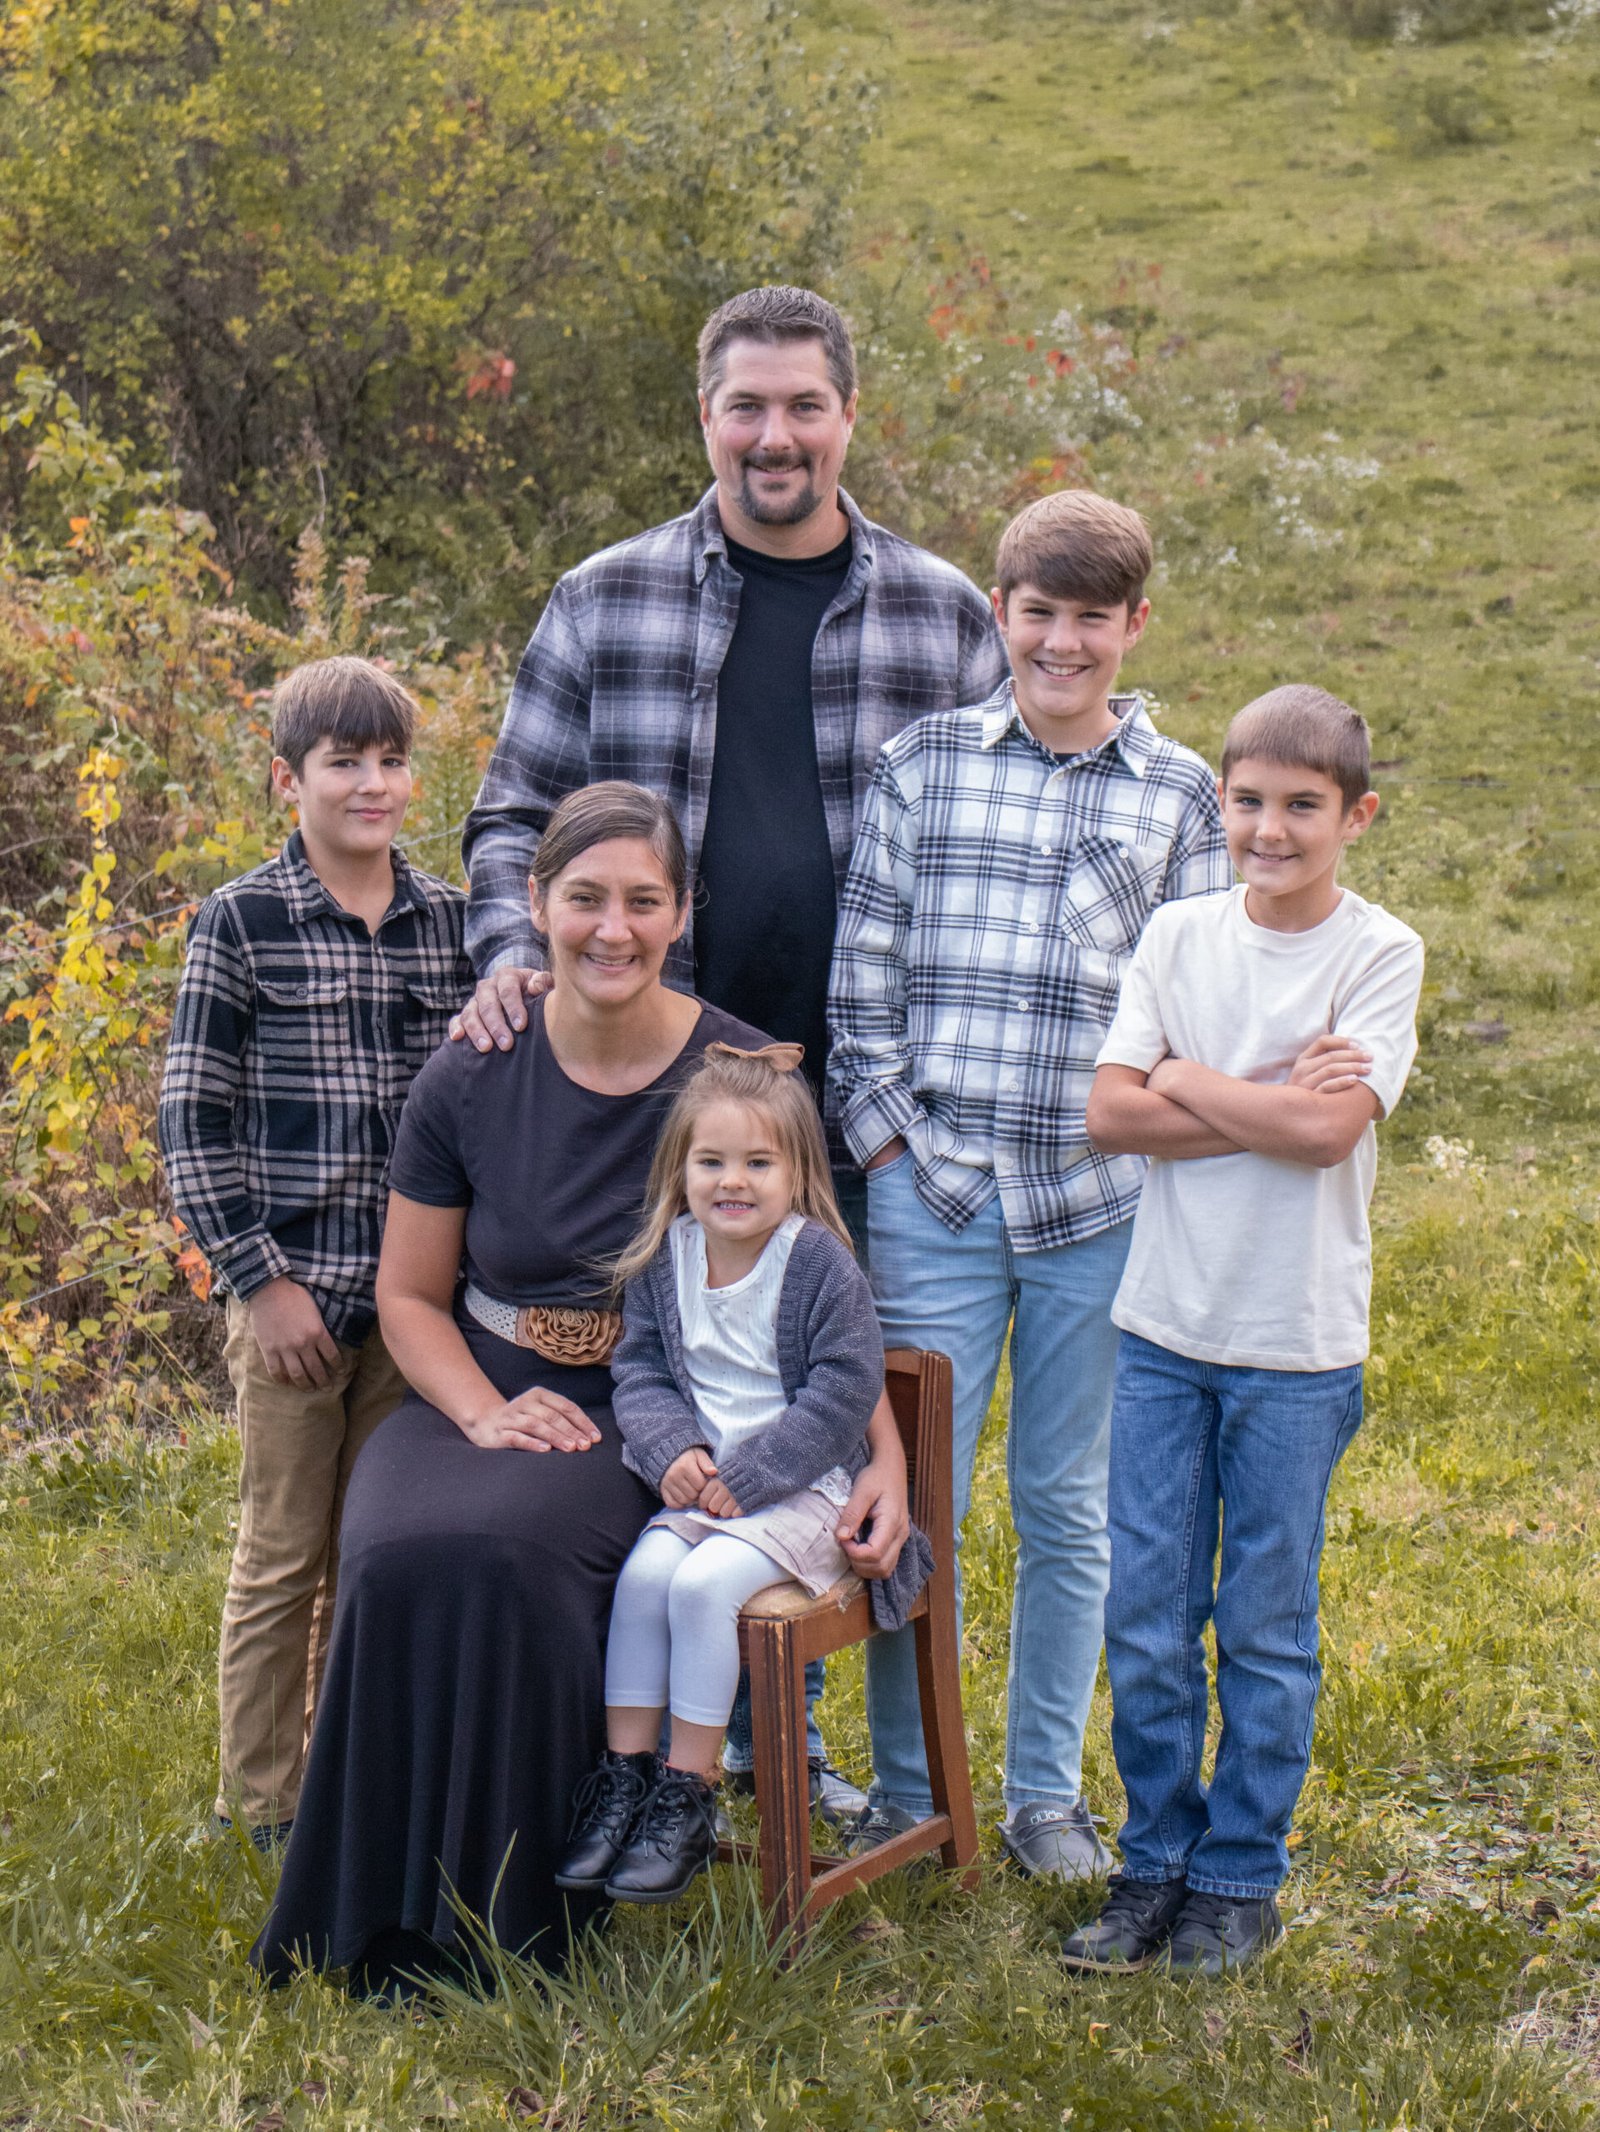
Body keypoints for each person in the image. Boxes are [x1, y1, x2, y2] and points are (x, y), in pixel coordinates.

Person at [453, 283, 1006, 1810]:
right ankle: (701, 1740)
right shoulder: (604, 598)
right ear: (704, 417)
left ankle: (854, 1759)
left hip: (880, 1101)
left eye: (803, 406)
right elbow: (508, 817)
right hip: (669, 1110)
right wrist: (516, 959)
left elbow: (1007, 838)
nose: (776, 436)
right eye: (745, 407)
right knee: (695, 1394)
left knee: (856, 1405)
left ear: (849, 415)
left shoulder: (943, 614)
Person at [249, 784, 909, 1993]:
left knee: (514, 1551)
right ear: (537, 904)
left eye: (642, 901)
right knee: (397, 1545)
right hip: (482, 1377)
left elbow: (826, 1285)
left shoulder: (741, 1076)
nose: (612, 928)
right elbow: (408, 1295)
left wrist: (887, 1455)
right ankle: (372, 1905)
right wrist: (481, 1409)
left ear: (680, 911)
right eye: (585, 898)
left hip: (670, 1408)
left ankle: (527, 1905)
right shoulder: (473, 1068)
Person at [828, 489, 1231, 1879]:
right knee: (905, 1504)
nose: (1062, 644)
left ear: (1133, 628)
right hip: (930, 1196)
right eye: (1038, 615)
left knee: (1068, 1505)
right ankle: (903, 1782)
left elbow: (1197, 1015)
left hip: (1094, 1209)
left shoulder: (1179, 800)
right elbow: (862, 983)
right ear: (999, 615)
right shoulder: (922, 765)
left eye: (1091, 621)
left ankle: (1043, 1794)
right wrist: (889, 1147)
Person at [1064, 685, 1423, 1976]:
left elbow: (1331, 1131)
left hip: (1296, 1347)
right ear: (1220, 800)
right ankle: (1152, 1859)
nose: (1269, 830)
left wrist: (1189, 1081)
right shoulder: (1176, 934)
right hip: (1164, 1327)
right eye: (1249, 801)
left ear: (1356, 815)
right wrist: (1261, 1097)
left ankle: (1238, 1876)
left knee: (1262, 1623)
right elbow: (1110, 1116)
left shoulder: (1380, 954)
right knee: (1147, 1613)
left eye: (1302, 808)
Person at [158, 657, 470, 1846]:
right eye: (344, 762)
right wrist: (258, 1280)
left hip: (410, 1302)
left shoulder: (447, 923)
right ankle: (257, 1805)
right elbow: (192, 1119)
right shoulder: (239, 921)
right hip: (291, 1294)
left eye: (390, 761)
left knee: (370, 1550)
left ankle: (342, 1781)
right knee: (284, 1552)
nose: (372, 783)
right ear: (288, 777)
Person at [556, 1047, 929, 1905]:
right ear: (679, 1169)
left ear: (797, 1171)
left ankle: (689, 1795)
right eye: (712, 1161)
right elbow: (642, 1372)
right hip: (716, 1491)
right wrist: (670, 1449)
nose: (734, 1182)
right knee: (647, 1576)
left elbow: (846, 1384)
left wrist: (755, 1472)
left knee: (703, 1587)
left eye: (759, 1162)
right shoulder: (666, 1257)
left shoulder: (817, 1263)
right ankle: (624, 1782)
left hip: (806, 1493)